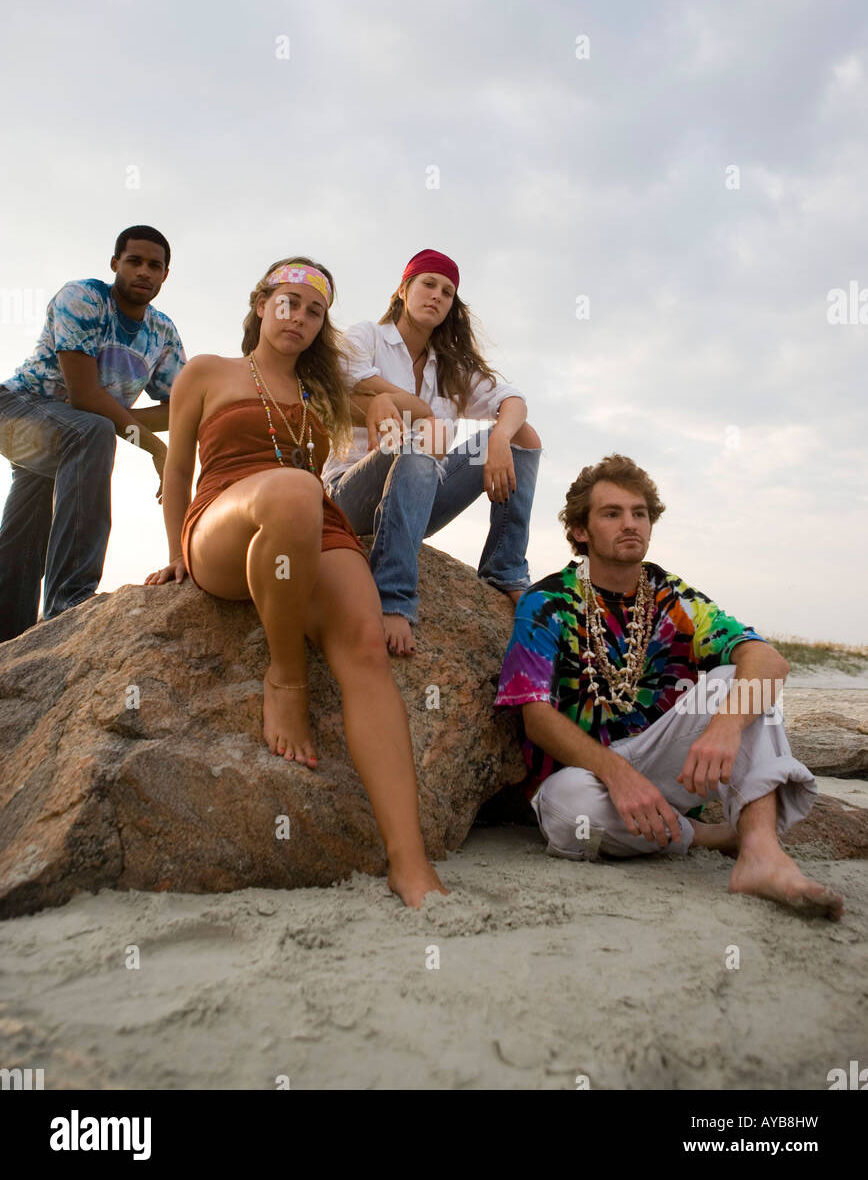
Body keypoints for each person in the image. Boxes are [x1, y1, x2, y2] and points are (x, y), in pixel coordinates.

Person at [144, 258, 447, 909]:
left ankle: (410, 863)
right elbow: (175, 474)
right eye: (289, 302)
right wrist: (173, 553)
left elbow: (408, 415)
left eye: (314, 311)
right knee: (292, 487)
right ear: (261, 304)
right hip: (226, 521)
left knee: (365, 647)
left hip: (312, 526)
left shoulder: (325, 390)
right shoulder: (207, 373)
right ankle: (285, 675)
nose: (300, 318)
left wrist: (390, 403)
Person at [494, 454, 843, 920]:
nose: (630, 523)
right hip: (585, 775)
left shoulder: (670, 595)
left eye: (639, 513)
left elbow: (767, 660)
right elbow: (535, 717)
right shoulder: (548, 601)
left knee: (739, 681)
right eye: (612, 513)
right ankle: (714, 837)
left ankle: (760, 854)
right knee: (569, 811)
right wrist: (618, 776)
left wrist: (724, 729)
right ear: (581, 530)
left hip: (665, 764)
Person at [323, 249, 542, 656]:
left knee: (522, 436)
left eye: (447, 292)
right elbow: (344, 383)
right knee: (432, 431)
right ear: (403, 289)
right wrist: (420, 411)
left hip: (418, 500)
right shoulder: (368, 336)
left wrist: (497, 440)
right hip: (349, 495)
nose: (437, 296)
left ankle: (505, 568)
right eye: (428, 284)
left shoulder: (448, 367)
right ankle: (392, 598)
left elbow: (512, 399)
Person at [0, 225, 185, 642]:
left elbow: (181, 407)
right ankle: (70, 603)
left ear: (165, 275)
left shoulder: (163, 333)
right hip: (14, 411)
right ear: (114, 263)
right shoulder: (83, 298)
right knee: (93, 431)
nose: (144, 272)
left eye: (154, 266)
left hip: (66, 433)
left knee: (24, 535)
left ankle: (10, 641)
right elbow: (85, 396)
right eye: (134, 261)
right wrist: (156, 449)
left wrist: (152, 435)